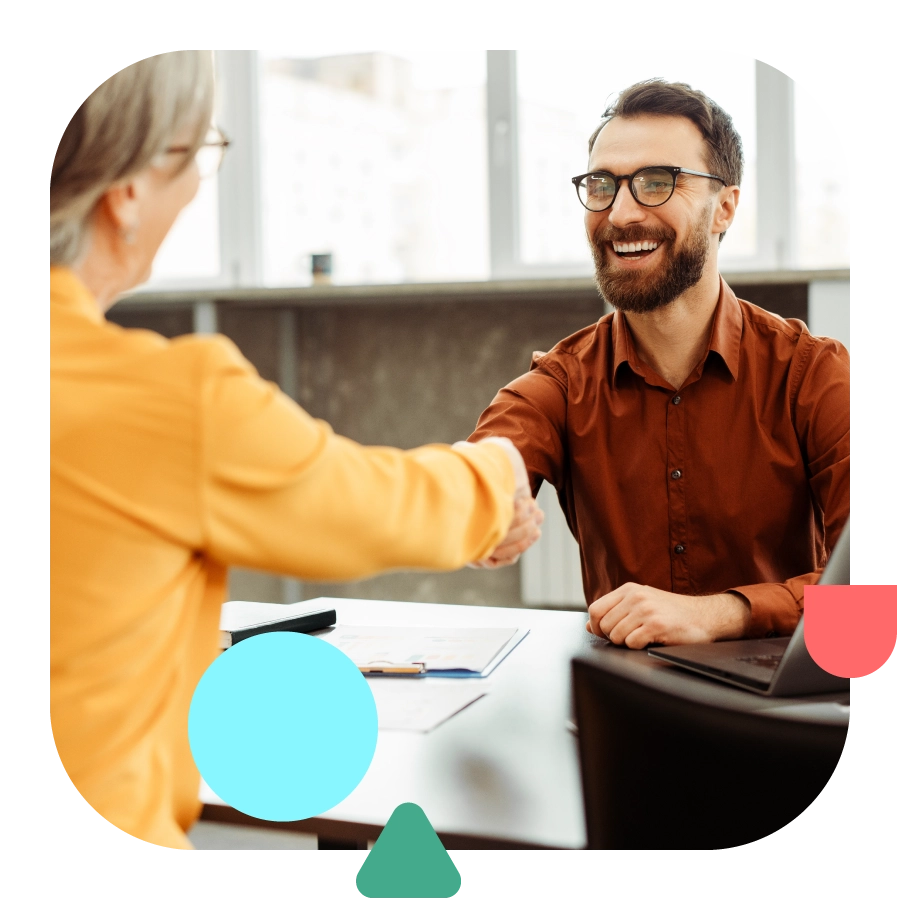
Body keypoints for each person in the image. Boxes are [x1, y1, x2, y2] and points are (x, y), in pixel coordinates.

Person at [49, 51, 542, 850]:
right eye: (200, 152)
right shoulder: (162, 400)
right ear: (129, 189)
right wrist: (496, 477)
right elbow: (361, 507)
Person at [469, 79, 849, 649]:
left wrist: (723, 614)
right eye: (602, 185)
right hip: (627, 708)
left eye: (656, 183)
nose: (620, 213)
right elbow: (479, 473)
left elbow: (876, 597)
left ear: (724, 208)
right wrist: (472, 509)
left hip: (788, 715)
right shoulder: (560, 384)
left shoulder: (817, 378)